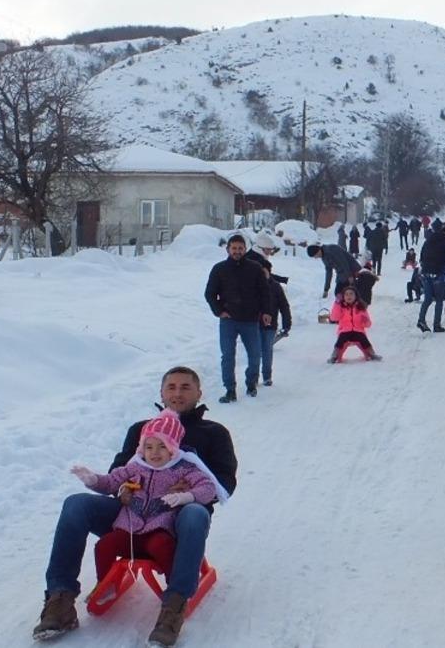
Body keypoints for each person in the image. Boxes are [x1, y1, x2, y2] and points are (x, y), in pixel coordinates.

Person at [33, 366, 238, 646]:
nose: (178, 393)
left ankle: (174, 605)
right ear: (162, 393)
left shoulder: (213, 433)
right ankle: (60, 598)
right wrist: (122, 489)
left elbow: (225, 481)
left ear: (199, 393)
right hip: (131, 511)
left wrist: (190, 492)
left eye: (185, 387)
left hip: (179, 516)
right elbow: (119, 470)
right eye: (172, 387)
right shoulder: (141, 430)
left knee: (194, 514)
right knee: (76, 504)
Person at [72, 409, 221, 587]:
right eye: (149, 447)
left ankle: (176, 590)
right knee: (104, 545)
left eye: (162, 446)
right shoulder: (135, 466)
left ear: (173, 448)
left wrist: (187, 496)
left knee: (162, 546)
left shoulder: (184, 468)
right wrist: (93, 480)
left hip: (161, 530)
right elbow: (111, 482)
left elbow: (208, 487)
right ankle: (107, 584)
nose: (154, 453)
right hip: (129, 530)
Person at [205, 234, 272, 402]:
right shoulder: (219, 269)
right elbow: (210, 293)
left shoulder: (255, 268)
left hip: (250, 320)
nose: (237, 251)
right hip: (228, 320)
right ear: (228, 249)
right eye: (234, 248)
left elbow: (265, 293)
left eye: (240, 248)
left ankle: (251, 384)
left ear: (245, 249)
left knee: (255, 355)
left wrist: (266, 312)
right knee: (227, 356)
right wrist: (219, 311)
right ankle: (230, 390)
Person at [258, 259, 292, 387]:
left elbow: (284, 306)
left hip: (270, 325)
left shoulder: (275, 287)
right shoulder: (251, 286)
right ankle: (253, 377)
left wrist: (286, 323)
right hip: (253, 324)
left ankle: (267, 376)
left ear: (269, 272)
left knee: (267, 350)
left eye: (264, 272)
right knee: (255, 352)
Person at [416, 221, 445, 333]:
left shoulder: (428, 241)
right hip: (438, 272)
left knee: (427, 299)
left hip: (426, 272)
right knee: (439, 299)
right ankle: (436, 325)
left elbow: (422, 256)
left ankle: (421, 320)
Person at [328, 286, 382, 362]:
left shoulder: (360, 308)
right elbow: (334, 318)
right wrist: (337, 304)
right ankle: (335, 355)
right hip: (345, 330)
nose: (349, 296)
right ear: (343, 297)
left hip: (358, 330)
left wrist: (365, 320)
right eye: (346, 294)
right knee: (340, 340)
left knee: (364, 339)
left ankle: (371, 353)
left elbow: (368, 324)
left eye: (351, 294)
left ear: (356, 296)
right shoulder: (341, 307)